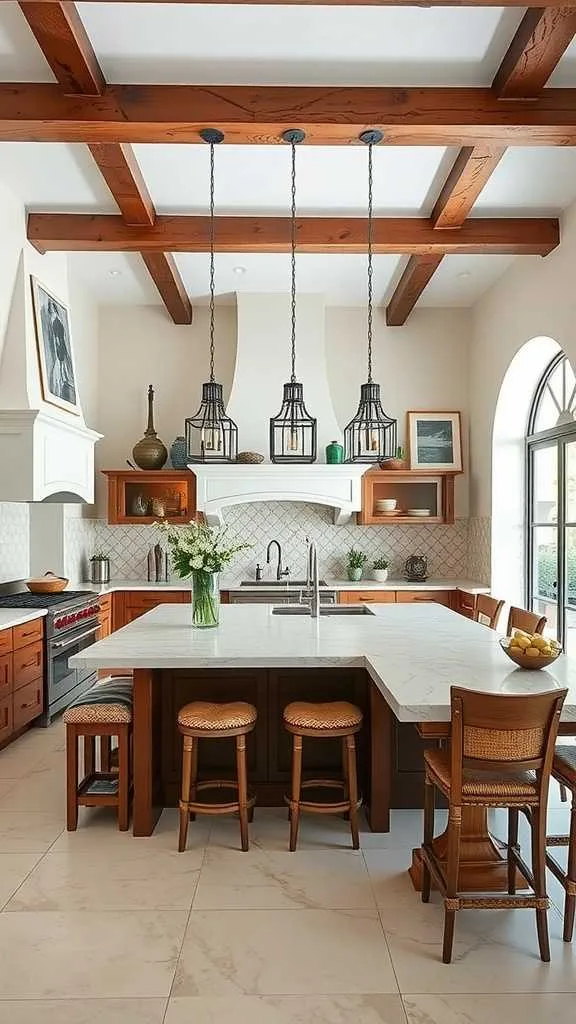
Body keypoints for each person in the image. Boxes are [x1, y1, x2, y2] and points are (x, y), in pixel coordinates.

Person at [45, 297, 76, 404]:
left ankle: (64, 379)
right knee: (60, 361)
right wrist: (56, 341)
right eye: (50, 306)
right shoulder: (51, 318)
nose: (52, 308)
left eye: (53, 306)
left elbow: (60, 332)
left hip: (60, 341)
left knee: (63, 361)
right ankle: (61, 380)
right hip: (58, 341)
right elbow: (54, 333)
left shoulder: (56, 318)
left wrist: (59, 341)